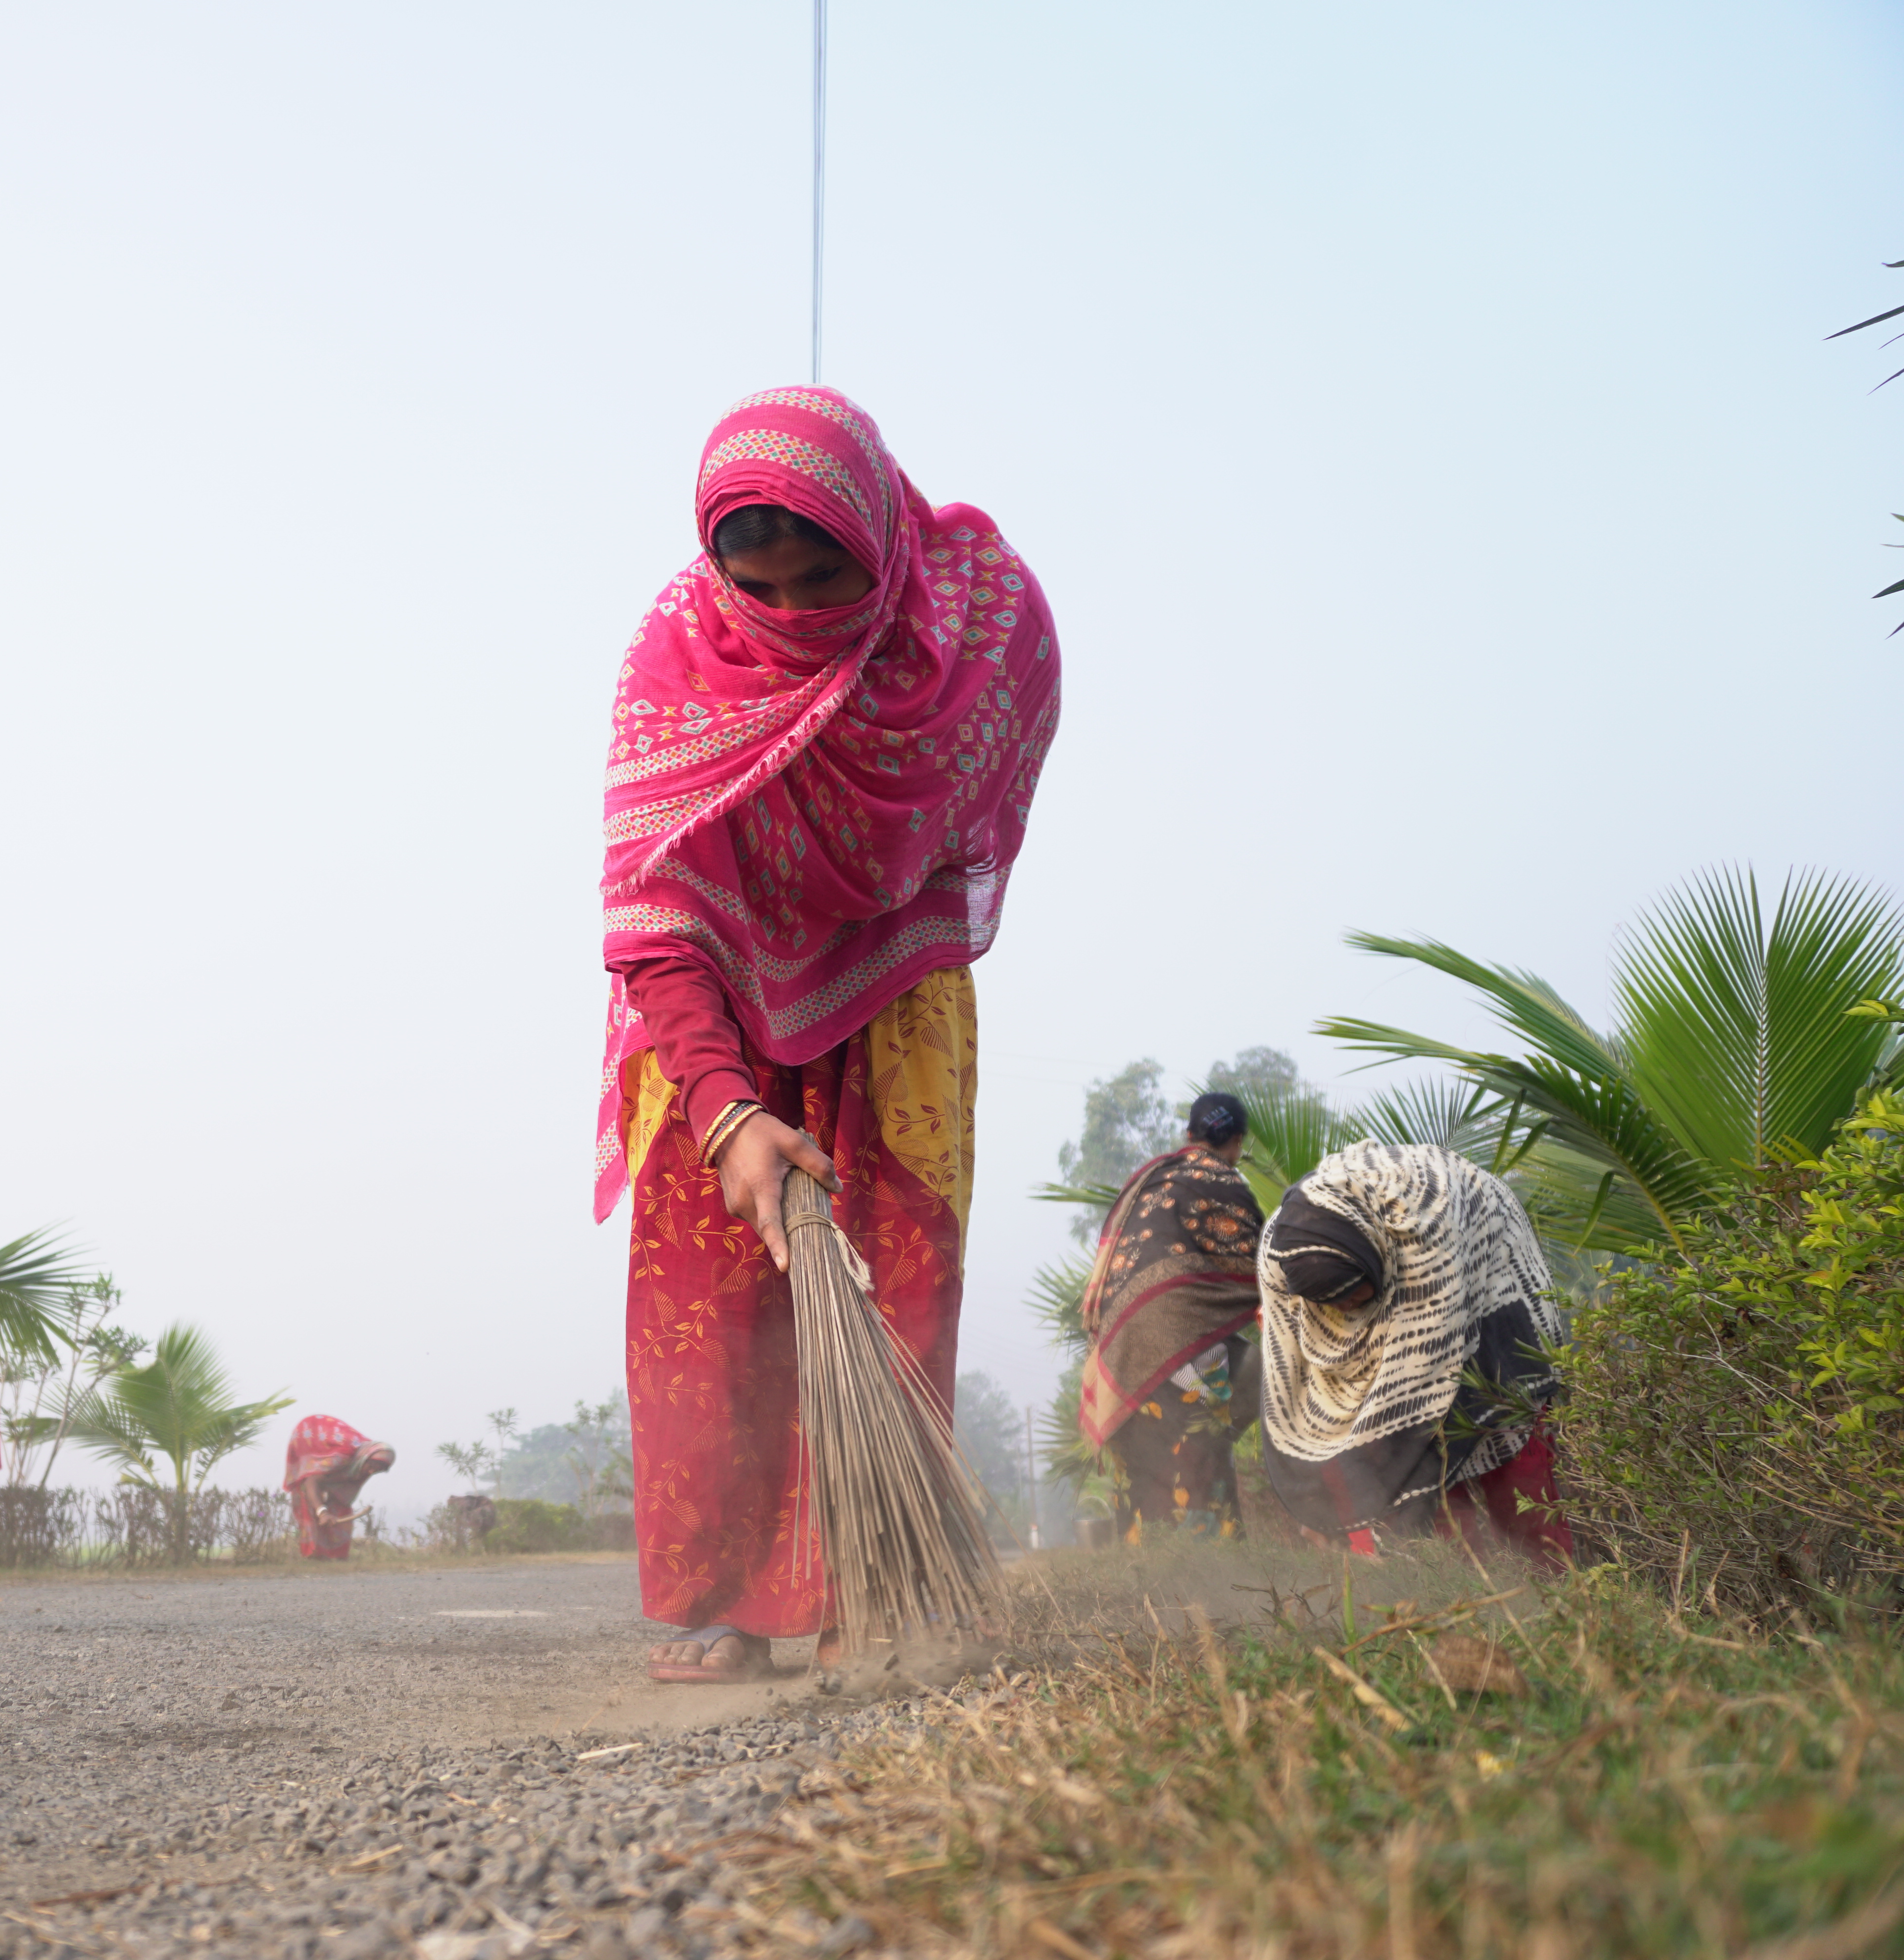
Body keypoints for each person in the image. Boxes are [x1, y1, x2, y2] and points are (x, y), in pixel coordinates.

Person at [594, 386, 1061, 1684]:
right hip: (715, 1014)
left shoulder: (981, 624)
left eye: (825, 580)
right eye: (766, 587)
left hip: (895, 990)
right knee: (708, 1307)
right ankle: (722, 1599)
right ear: (717, 569)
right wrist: (727, 1111)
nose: (795, 616)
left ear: (881, 541)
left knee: (896, 1273)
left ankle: (883, 1587)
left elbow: (982, 785)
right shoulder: (675, 662)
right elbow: (653, 922)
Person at [1257, 1140, 1574, 1567]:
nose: (1345, 1309)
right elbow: (1297, 1381)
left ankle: (1557, 1598)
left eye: (1352, 1296)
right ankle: (1453, 1604)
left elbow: (1418, 1387)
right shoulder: (1281, 1259)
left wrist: (1392, 1461)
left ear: (1371, 1263)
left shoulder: (1425, 1223)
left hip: (1491, 1296)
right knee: (1428, 1509)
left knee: (1518, 1481)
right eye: (1330, 1305)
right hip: (1401, 1282)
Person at [1076, 1094, 1266, 1540]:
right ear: (1236, 1141)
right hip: (1189, 1344)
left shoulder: (1154, 1181)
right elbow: (1262, 1266)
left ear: (1190, 1135)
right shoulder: (1223, 1180)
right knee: (1202, 1438)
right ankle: (1211, 1549)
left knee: (1143, 1447)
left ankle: (1144, 1558)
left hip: (1123, 1345)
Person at [282, 1416, 395, 1559]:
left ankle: (336, 1557)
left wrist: (330, 1510)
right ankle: (313, 1556)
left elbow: (343, 1498)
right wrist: (322, 1511)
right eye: (371, 1467)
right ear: (366, 1458)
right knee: (309, 1500)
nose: (372, 1472)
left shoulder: (362, 1463)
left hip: (331, 1467)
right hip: (308, 1437)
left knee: (339, 1510)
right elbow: (312, 1481)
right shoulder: (343, 1455)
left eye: (378, 1470)